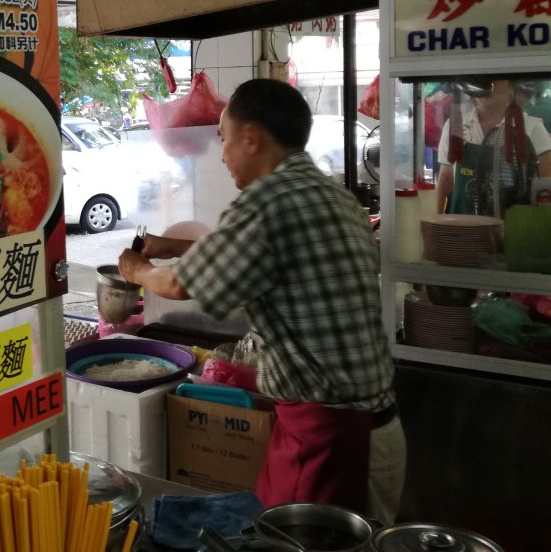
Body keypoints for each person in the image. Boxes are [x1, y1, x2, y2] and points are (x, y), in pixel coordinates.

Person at [118, 79, 398, 516]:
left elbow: (178, 286)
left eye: (225, 140)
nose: (224, 154)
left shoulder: (266, 200)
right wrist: (169, 246)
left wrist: (137, 271)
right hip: (373, 428)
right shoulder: (333, 196)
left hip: (329, 435)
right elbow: (253, 254)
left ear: (252, 138)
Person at [436, 79, 551, 215]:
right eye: (482, 82)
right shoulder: (455, 125)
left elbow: (547, 180)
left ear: (511, 88)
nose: (487, 86)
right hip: (463, 225)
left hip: (513, 227)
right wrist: (437, 218)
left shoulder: (532, 127)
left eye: (494, 81)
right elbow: (446, 179)